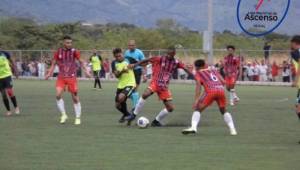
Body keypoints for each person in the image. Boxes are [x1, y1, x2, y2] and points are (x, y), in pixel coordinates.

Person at [126, 46, 193, 126]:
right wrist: (135, 64)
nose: (168, 56)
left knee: (170, 108)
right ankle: (134, 114)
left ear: (174, 54)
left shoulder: (176, 62)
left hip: (164, 87)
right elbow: (146, 60)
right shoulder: (159, 58)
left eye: (170, 54)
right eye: (167, 54)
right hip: (155, 82)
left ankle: (156, 121)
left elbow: (185, 68)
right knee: (145, 94)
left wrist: (195, 76)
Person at [182, 59, 237, 135]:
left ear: (197, 67)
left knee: (198, 109)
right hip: (221, 90)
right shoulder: (213, 70)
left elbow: (198, 86)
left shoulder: (198, 73)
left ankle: (193, 127)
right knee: (223, 110)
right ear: (204, 64)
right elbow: (223, 82)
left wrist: (196, 100)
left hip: (210, 91)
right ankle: (233, 130)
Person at [45, 35, 91, 125]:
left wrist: (87, 71)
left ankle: (77, 117)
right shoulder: (58, 52)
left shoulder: (74, 51)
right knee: (58, 95)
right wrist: (49, 73)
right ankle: (63, 114)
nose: (69, 44)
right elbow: (53, 63)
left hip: (71, 77)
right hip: (61, 77)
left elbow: (81, 61)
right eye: (67, 42)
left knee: (74, 98)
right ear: (63, 43)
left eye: (70, 42)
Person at [111, 48, 136, 123]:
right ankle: (127, 115)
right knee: (117, 105)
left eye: (119, 55)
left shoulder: (128, 59)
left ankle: (129, 115)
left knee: (121, 97)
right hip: (121, 85)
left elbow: (139, 63)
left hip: (130, 83)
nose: (118, 57)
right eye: (116, 56)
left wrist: (134, 65)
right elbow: (116, 75)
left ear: (122, 53)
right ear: (114, 57)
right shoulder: (113, 63)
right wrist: (122, 71)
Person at [124, 40, 145, 110]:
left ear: (135, 46)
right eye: (129, 45)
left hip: (137, 72)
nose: (131, 47)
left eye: (132, 45)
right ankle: (137, 102)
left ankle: (135, 106)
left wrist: (144, 75)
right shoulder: (126, 52)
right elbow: (125, 63)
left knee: (135, 89)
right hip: (129, 73)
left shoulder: (139, 52)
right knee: (128, 90)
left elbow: (144, 63)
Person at [0, 49, 20, 116]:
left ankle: (16, 107)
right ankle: (8, 111)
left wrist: (16, 70)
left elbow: (12, 61)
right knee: (3, 95)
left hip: (7, 75)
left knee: (9, 92)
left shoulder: (4, 53)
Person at [290, 35, 300, 144]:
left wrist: (295, 81)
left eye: (291, 43)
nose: (290, 45)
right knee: (297, 108)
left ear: (295, 43)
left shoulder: (297, 52)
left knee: (298, 109)